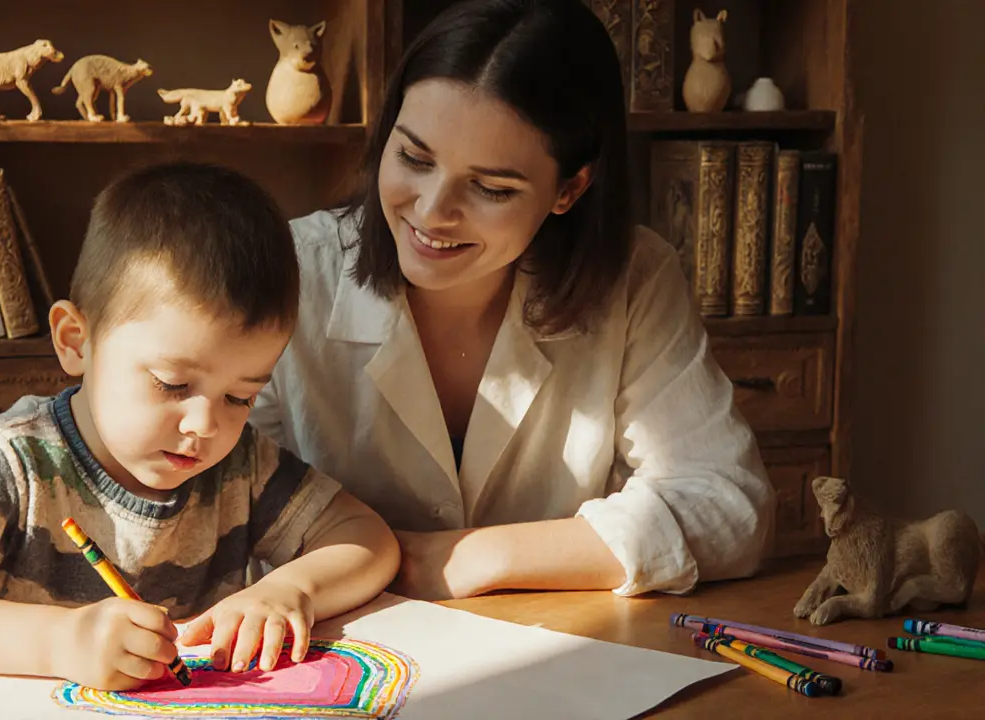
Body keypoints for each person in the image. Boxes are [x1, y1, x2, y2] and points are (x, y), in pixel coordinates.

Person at [249, 0, 774, 601]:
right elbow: (208, 517)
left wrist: (475, 556)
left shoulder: (633, 276)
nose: (430, 211)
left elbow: (732, 509)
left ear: (570, 188)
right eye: (413, 158)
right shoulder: (288, 270)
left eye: (491, 187)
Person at [0, 163, 400, 691]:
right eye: (171, 384)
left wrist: (289, 590)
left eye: (241, 395)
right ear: (75, 341)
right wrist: (60, 643)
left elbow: (366, 537)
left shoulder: (240, 469)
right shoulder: (7, 463)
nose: (206, 424)